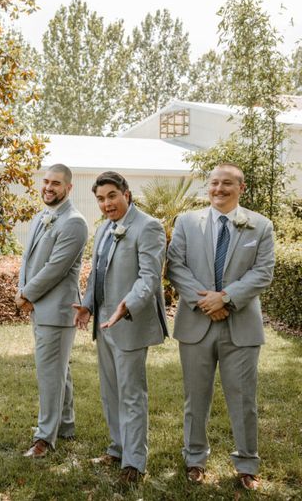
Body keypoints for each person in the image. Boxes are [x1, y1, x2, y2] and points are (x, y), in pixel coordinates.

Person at [166, 163, 274, 490]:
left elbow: (263, 272)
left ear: (242, 188)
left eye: (227, 183)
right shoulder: (186, 222)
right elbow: (176, 267)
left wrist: (225, 298)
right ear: (207, 186)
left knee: (243, 399)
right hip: (196, 322)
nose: (219, 189)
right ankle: (195, 459)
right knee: (195, 397)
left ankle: (246, 464)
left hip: (241, 324)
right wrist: (206, 302)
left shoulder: (261, 226)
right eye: (214, 183)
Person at [73, 171, 167, 486]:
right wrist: (87, 304)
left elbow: (150, 277)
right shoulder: (104, 230)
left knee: (131, 395)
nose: (106, 203)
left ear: (126, 193)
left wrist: (127, 305)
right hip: (104, 324)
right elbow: (97, 272)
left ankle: (134, 463)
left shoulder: (149, 226)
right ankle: (117, 447)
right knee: (110, 392)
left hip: (129, 322)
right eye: (100, 199)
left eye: (111, 195)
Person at [16, 164, 88, 458]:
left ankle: (44, 438)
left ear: (69, 188)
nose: (48, 187)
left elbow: (55, 268)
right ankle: (66, 425)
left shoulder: (74, 222)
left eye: (56, 183)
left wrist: (26, 295)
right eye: (45, 181)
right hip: (40, 306)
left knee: (50, 374)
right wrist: (23, 289)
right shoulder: (41, 217)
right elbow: (28, 260)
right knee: (60, 370)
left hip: (57, 309)